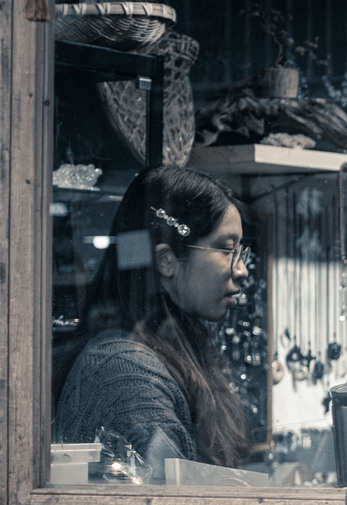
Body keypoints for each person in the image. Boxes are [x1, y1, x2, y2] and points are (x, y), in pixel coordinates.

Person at [54, 165, 252, 479]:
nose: (241, 270)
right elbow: (166, 500)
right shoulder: (127, 373)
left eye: (241, 252)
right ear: (166, 261)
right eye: (227, 249)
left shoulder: (170, 345)